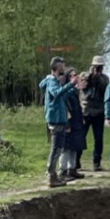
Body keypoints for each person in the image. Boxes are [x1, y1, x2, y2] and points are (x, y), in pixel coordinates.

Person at [39, 56, 81, 188]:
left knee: (58, 148)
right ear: (56, 67)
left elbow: (61, 97)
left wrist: (74, 89)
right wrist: (71, 84)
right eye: (63, 66)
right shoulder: (52, 81)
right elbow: (57, 93)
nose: (65, 68)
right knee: (56, 149)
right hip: (55, 120)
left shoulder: (55, 81)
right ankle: (51, 176)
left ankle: (53, 176)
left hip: (59, 119)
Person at [80, 55, 110, 171]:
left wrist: (98, 78)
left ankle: (97, 163)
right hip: (86, 111)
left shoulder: (105, 78)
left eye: (100, 67)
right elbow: (82, 86)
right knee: (81, 137)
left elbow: (106, 90)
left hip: (99, 112)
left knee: (98, 139)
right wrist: (90, 75)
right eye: (96, 66)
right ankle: (77, 161)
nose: (98, 69)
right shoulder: (85, 75)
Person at [59, 68, 88, 181]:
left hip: (77, 121)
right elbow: (64, 106)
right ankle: (63, 170)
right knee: (66, 148)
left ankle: (72, 169)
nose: (75, 77)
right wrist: (66, 124)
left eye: (76, 75)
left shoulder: (76, 91)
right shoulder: (65, 90)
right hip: (68, 122)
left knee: (75, 147)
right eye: (72, 76)